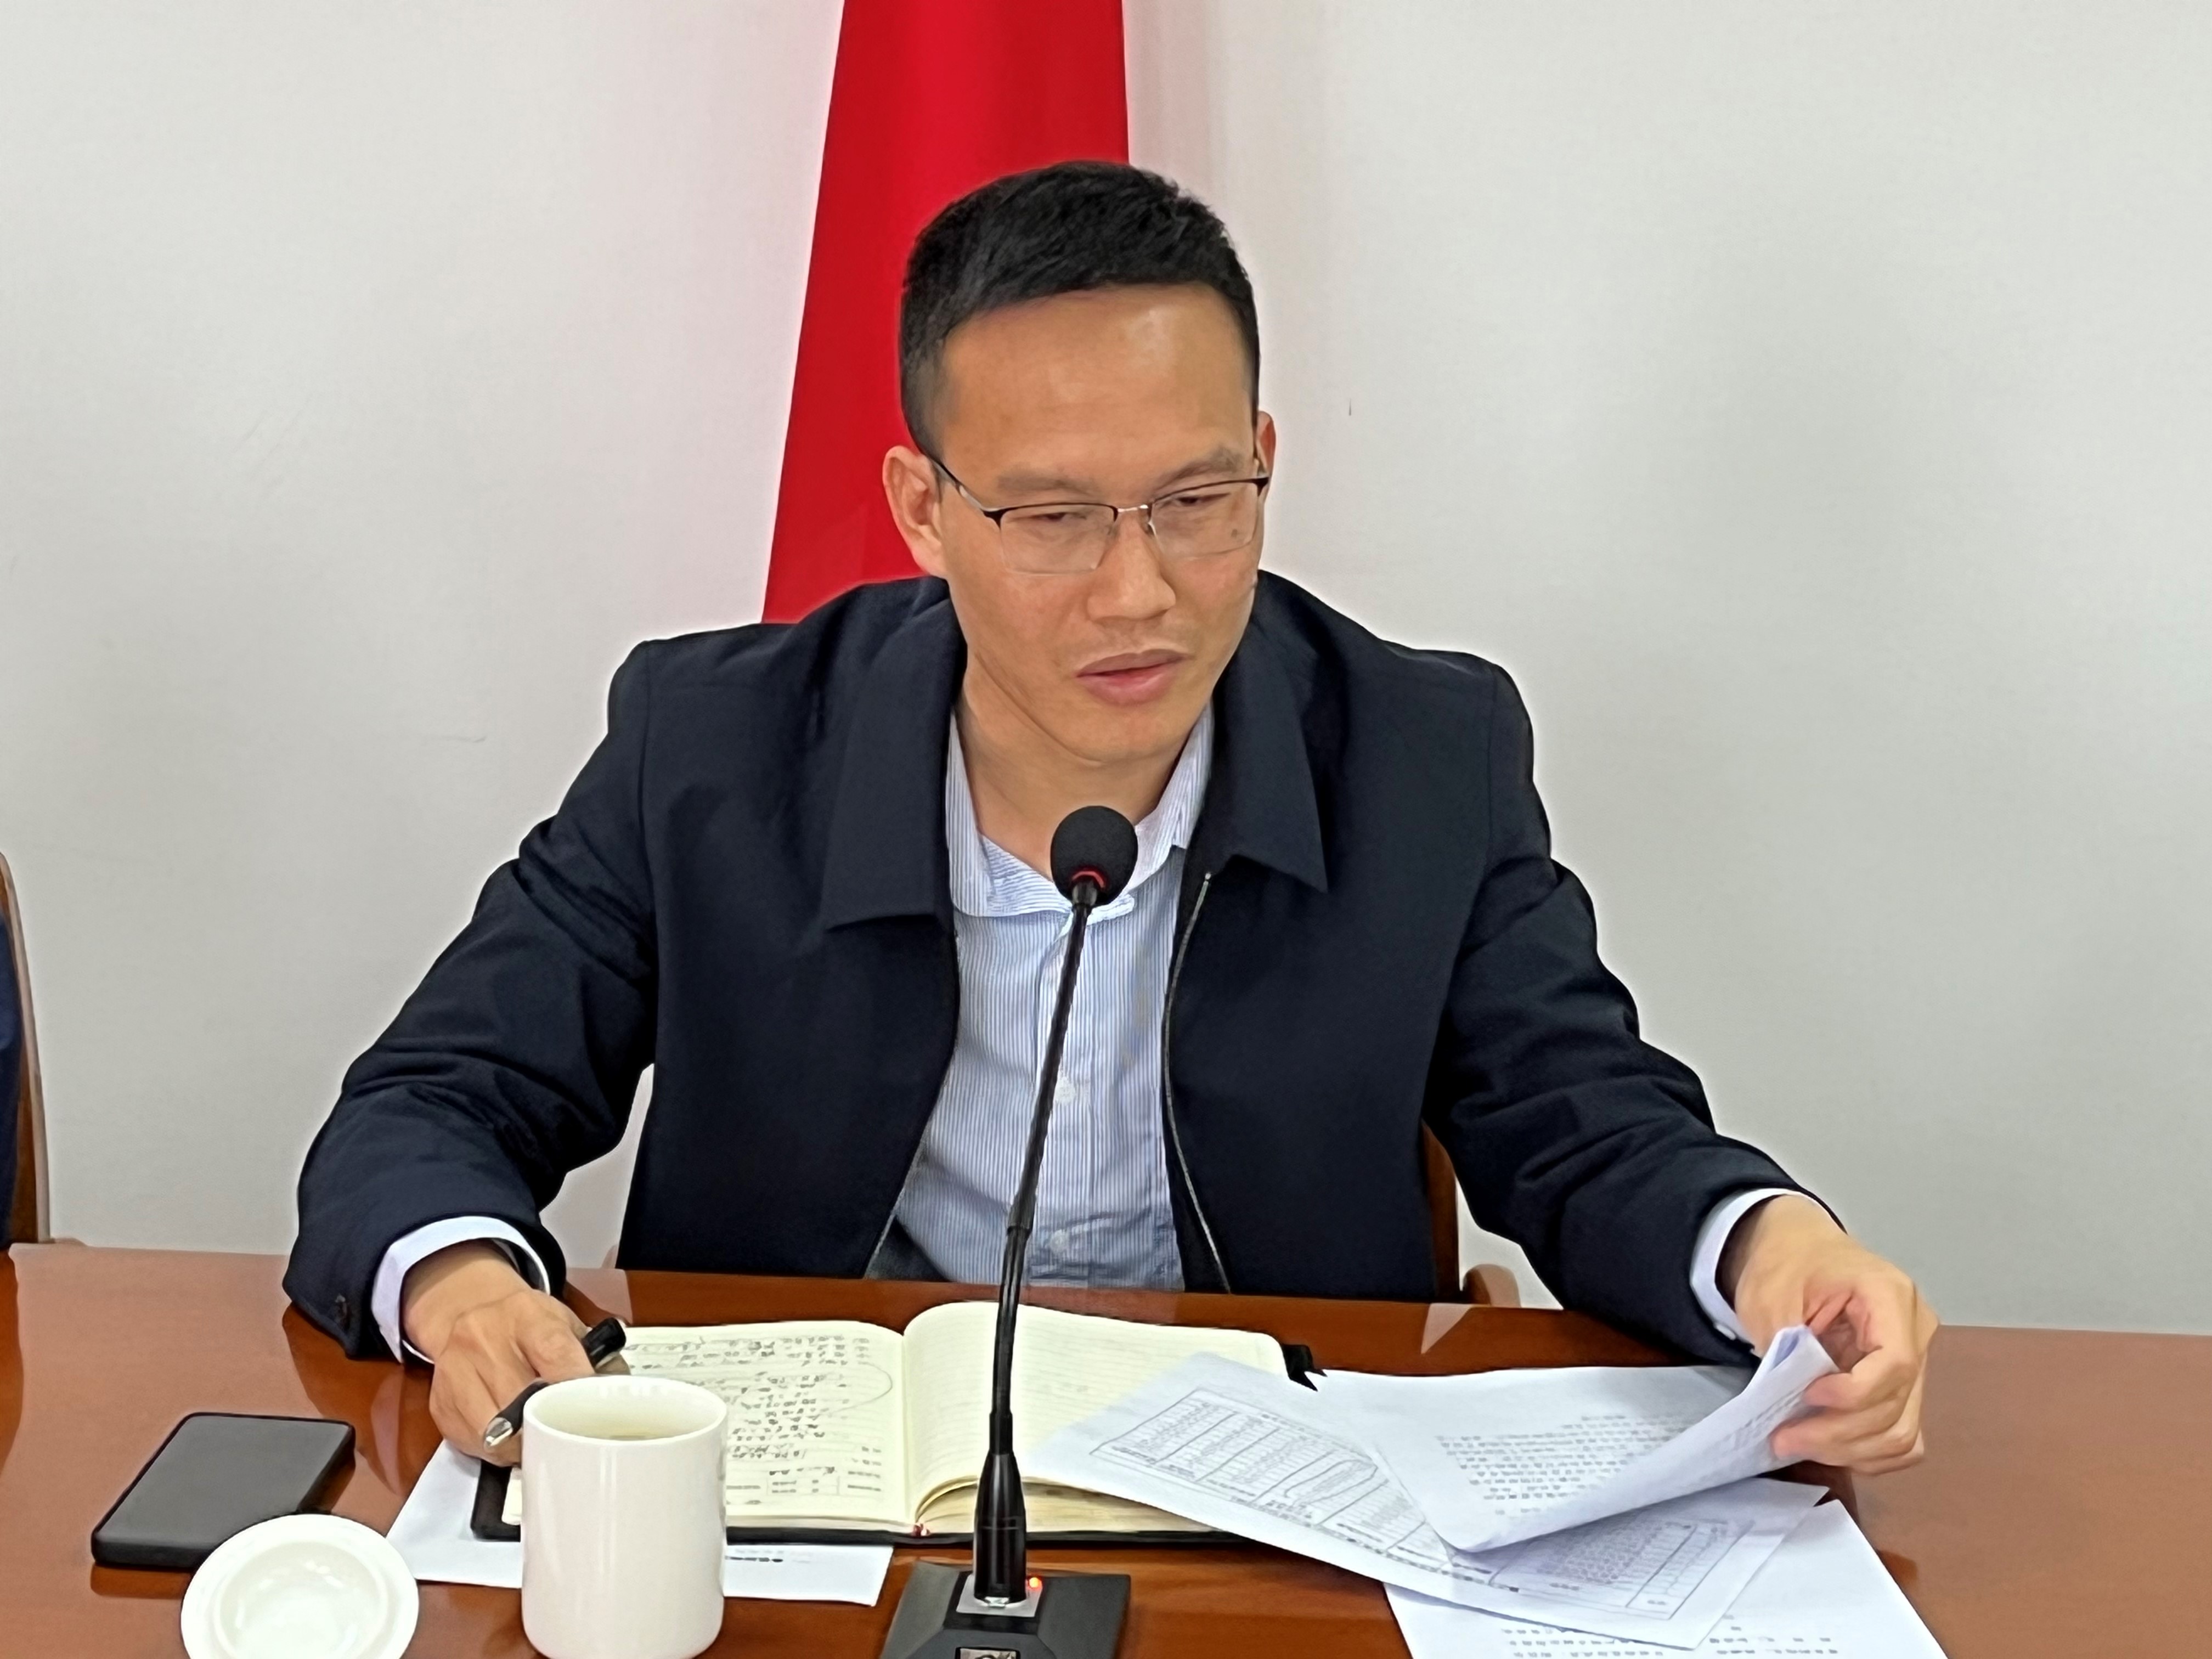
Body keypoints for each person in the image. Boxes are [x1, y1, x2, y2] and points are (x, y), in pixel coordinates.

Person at [286, 161, 1934, 1475]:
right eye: (1055, 517)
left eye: (1198, 501)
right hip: (818, 1502)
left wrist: (1766, 1250)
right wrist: (464, 1285)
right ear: (924, 508)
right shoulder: (714, 748)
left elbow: (1585, 1122)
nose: (1139, 591)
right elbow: (430, 1102)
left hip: (1280, 1491)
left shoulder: (1423, 753)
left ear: (1265, 461)